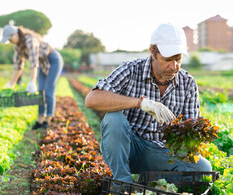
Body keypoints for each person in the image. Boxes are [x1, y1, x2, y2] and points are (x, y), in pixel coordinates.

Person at [85, 23, 212, 183]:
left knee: (203, 170)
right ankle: (122, 183)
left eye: (178, 60)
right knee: (113, 119)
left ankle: (149, 180)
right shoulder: (131, 70)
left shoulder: (188, 83)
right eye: (167, 60)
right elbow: (92, 99)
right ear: (153, 52)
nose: (173, 67)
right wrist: (139, 103)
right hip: (130, 148)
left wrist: (192, 140)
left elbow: (191, 129)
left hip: (162, 153)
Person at [0, 24, 64, 130]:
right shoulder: (17, 47)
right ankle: (40, 120)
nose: (10, 41)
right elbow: (18, 66)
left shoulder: (30, 40)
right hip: (41, 62)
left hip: (53, 60)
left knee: (48, 91)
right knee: (40, 92)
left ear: (15, 34)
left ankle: (48, 120)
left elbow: (33, 62)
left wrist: (32, 81)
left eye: (10, 38)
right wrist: (11, 83)